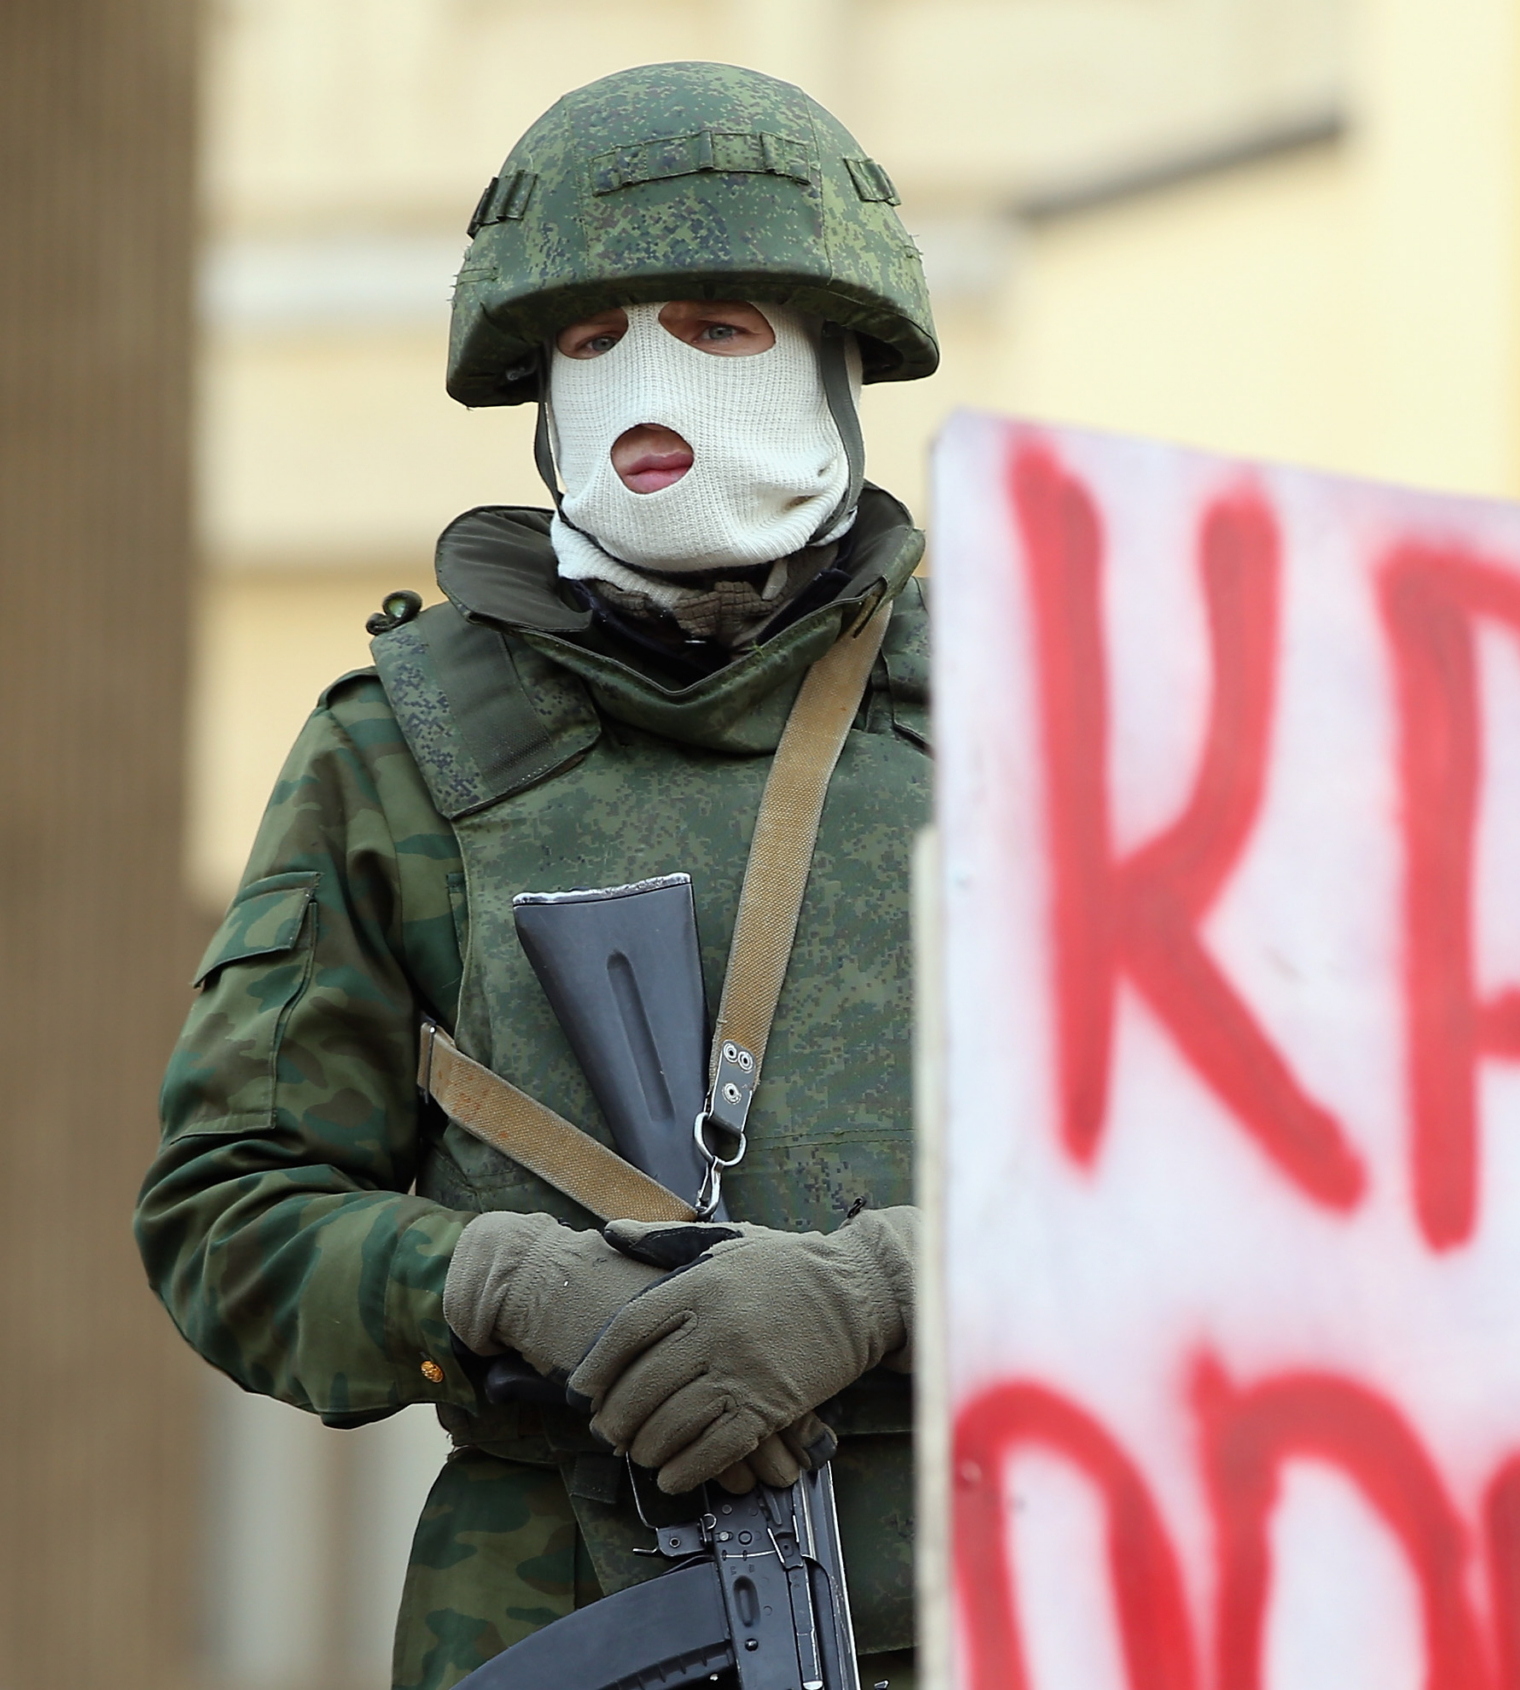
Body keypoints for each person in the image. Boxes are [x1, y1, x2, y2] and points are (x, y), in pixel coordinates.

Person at [135, 61, 938, 1690]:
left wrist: (886, 1284)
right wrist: (498, 1280)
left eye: (715, 324)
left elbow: (1225, 1185)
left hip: (994, 1584)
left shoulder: (1034, 713)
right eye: (590, 342)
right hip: (552, 1601)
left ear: (832, 357)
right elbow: (227, 1217)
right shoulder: (401, 752)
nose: (648, 383)